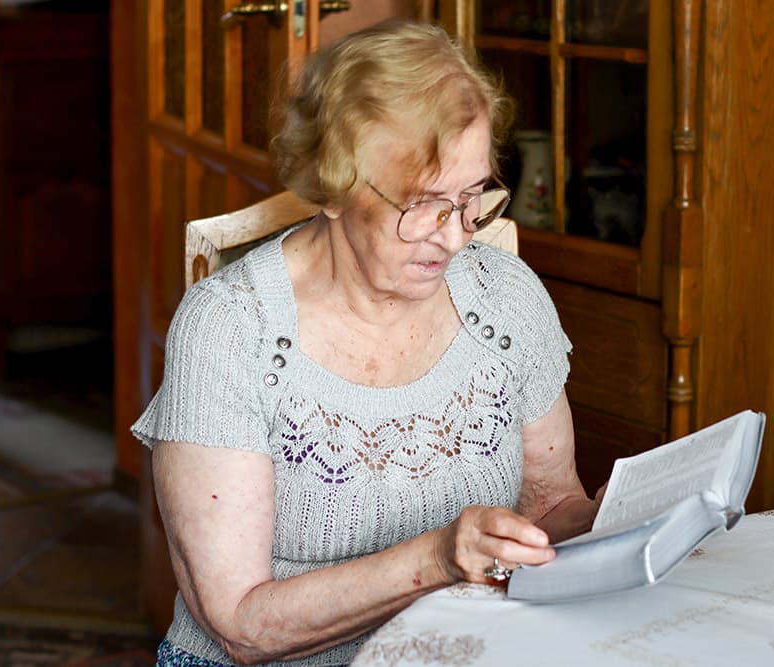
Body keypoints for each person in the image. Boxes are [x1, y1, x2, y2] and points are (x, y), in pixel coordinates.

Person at [132, 19, 602, 667]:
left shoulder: (505, 296)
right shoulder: (230, 329)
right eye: (422, 203)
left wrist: (621, 517)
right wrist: (439, 558)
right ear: (333, 184)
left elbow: (550, 507)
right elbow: (242, 626)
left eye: (472, 197)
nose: (455, 234)